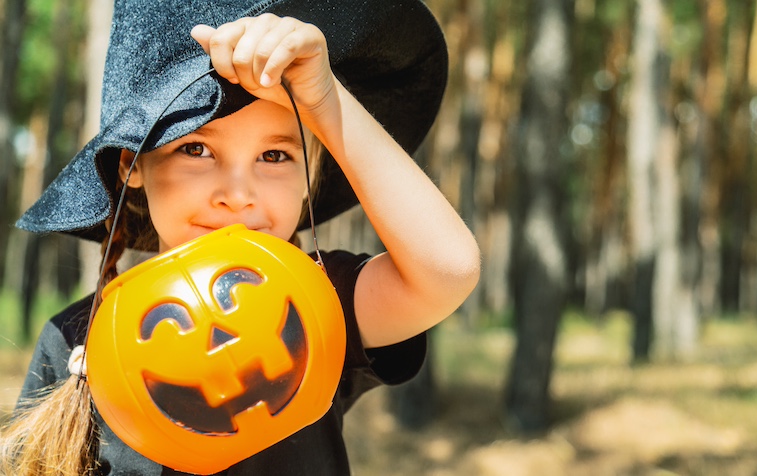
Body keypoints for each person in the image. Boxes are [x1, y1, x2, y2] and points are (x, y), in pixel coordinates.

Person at [1, 0, 480, 475]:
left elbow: (447, 269)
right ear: (133, 163)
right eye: (197, 148)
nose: (237, 195)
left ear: (311, 175)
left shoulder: (320, 300)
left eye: (274, 156)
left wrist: (325, 101)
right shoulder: (73, 341)